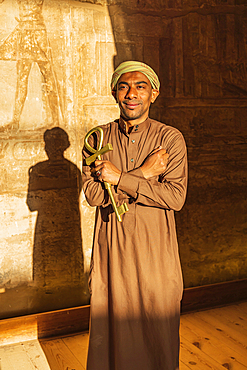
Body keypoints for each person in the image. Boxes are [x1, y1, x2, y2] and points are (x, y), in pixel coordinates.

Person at [82, 61, 188, 370]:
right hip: (111, 252)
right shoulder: (96, 140)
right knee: (111, 326)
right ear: (114, 92)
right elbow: (94, 196)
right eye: (124, 86)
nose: (132, 94)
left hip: (156, 250)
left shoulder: (170, 139)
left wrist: (120, 179)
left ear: (153, 93)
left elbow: (175, 197)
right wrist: (143, 173)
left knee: (159, 326)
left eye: (140, 87)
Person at [0, 0, 60, 131]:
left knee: (46, 75)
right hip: (27, 31)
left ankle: (55, 120)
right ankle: (16, 122)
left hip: (35, 31)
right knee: (25, 78)